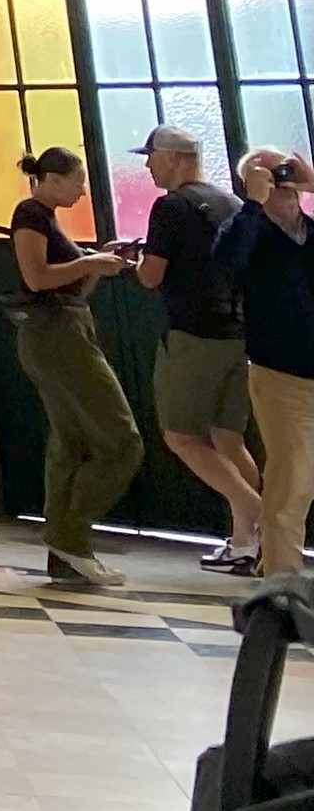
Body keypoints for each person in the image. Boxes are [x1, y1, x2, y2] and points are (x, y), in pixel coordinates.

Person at [6, 145, 143, 587]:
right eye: (78, 183)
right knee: (123, 440)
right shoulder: (30, 214)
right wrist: (88, 261)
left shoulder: (47, 218)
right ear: (52, 180)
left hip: (64, 331)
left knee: (72, 443)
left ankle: (65, 556)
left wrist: (98, 265)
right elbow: (36, 278)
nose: (83, 192)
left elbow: (70, 289)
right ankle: (69, 534)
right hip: (56, 338)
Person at [137, 125, 267, 573]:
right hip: (239, 336)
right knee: (228, 438)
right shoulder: (233, 203)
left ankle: (259, 514)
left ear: (173, 157)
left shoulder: (170, 207)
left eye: (151, 155)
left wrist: (132, 264)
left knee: (182, 437)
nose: (147, 165)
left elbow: (152, 275)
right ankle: (246, 544)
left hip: (193, 336)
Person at [217, 149, 314, 576]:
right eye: (272, 174)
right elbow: (227, 263)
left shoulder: (310, 232)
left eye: (287, 171)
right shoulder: (248, 231)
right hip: (283, 376)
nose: (284, 180)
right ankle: (281, 581)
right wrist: (253, 205)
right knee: (293, 480)